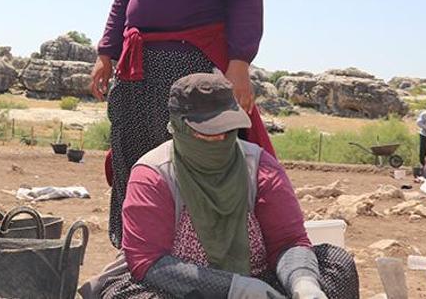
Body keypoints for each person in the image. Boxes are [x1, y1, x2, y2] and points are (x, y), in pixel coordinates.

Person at [89, 0, 275, 248]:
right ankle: (133, 251)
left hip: (192, 62)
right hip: (135, 65)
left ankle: (187, 255)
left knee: (186, 161)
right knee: (132, 156)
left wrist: (240, 62)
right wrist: (107, 53)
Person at [80, 73, 359, 299]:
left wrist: (303, 283)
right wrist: (233, 288)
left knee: (336, 263)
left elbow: (288, 241)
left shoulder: (259, 166)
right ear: (179, 126)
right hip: (177, 286)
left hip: (259, 279)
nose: (220, 139)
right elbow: (146, 261)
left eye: (227, 130)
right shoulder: (153, 174)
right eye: (208, 132)